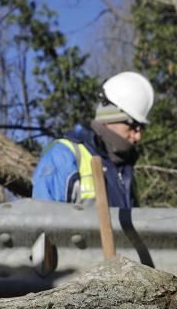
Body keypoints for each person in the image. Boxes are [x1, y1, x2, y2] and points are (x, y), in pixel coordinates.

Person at [32, 71, 154, 208]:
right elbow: (44, 222)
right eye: (133, 126)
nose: (138, 136)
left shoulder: (124, 170)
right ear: (111, 118)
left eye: (141, 128)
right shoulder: (63, 155)